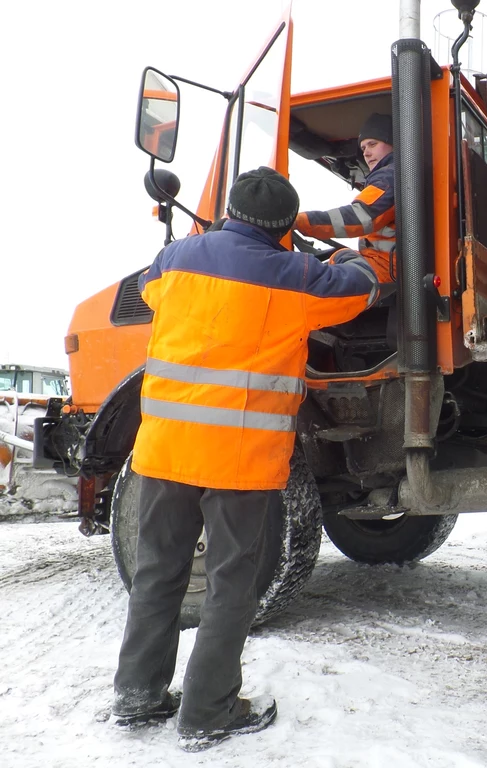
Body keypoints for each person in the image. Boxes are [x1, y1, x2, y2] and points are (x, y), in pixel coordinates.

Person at [111, 167, 379, 752]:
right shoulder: (297, 275)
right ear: (285, 227)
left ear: (229, 211)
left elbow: (151, 289)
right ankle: (208, 712)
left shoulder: (176, 260)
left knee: (158, 576)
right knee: (232, 585)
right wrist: (349, 259)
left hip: (162, 452)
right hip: (240, 460)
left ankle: (137, 697)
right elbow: (361, 291)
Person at [294, 112, 396, 283]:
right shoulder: (394, 176)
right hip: (387, 267)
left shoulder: (389, 177)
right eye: (363, 148)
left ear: (394, 144)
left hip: (388, 270)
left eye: (373, 144)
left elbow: (360, 217)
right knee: (338, 259)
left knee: (314, 282)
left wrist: (299, 221)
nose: (367, 153)